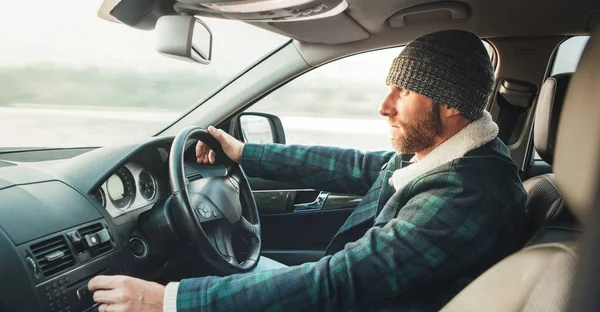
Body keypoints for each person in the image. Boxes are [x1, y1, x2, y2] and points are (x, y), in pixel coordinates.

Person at [89, 30, 527, 312]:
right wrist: (245, 153)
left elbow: (341, 283)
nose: (384, 106)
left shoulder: (468, 195)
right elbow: (361, 166)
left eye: (405, 91)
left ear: (450, 104)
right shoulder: (450, 155)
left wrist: (168, 301)